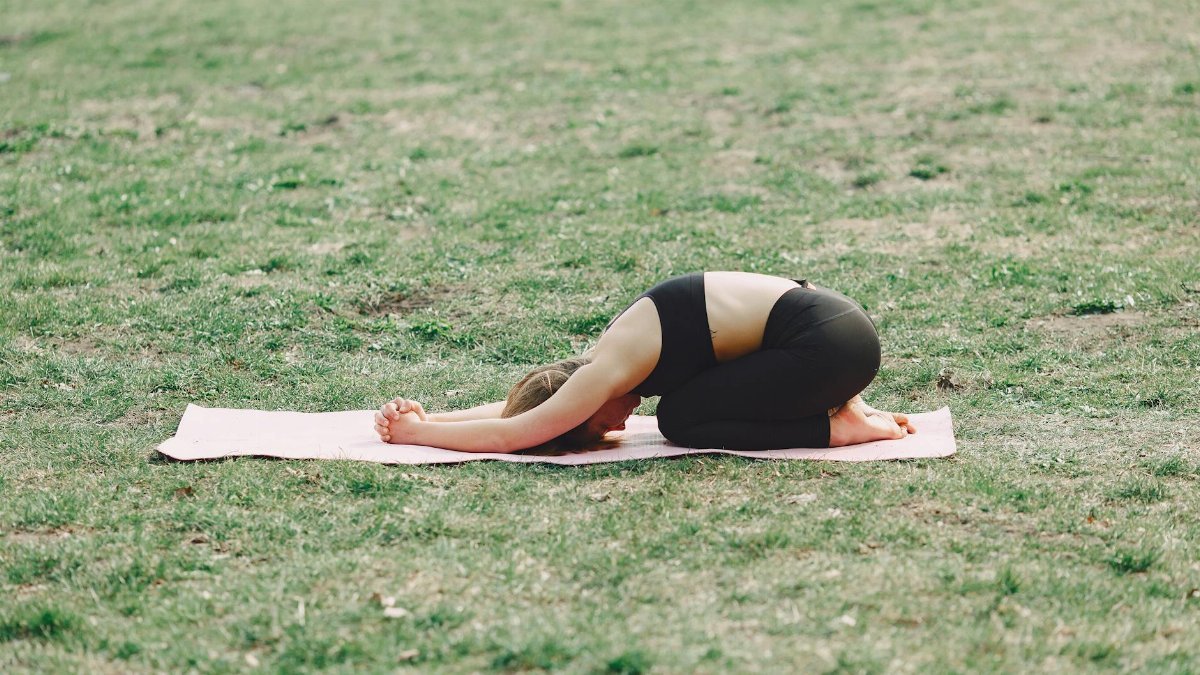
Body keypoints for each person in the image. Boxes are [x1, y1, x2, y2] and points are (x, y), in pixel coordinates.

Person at [373, 272, 915, 452]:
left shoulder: (606, 371)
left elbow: (513, 433)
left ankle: (837, 426)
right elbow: (523, 411)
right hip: (836, 334)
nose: (617, 425)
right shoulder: (607, 359)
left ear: (580, 399)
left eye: (596, 425)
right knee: (686, 406)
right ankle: (843, 409)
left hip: (825, 347)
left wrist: (415, 437)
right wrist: (435, 417)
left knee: (680, 419)